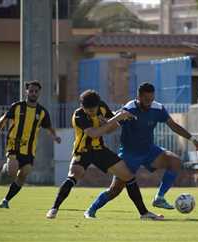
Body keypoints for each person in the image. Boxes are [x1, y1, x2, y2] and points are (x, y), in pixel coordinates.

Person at [84, 82, 198, 218]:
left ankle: (159, 198)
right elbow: (113, 124)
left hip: (149, 151)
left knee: (175, 161)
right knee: (115, 190)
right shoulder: (129, 108)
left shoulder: (158, 108)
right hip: (129, 155)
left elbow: (173, 126)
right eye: (146, 100)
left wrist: (192, 139)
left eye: (151, 99)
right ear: (139, 97)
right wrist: (104, 122)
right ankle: (91, 210)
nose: (149, 103)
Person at [46, 90, 163, 220]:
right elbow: (94, 133)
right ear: (82, 107)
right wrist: (116, 118)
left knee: (128, 176)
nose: (91, 112)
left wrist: (119, 116)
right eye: (88, 110)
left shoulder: (101, 106)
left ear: (98, 104)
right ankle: (54, 208)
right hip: (83, 151)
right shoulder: (79, 115)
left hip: (100, 150)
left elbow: (110, 127)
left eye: (93, 109)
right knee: (74, 175)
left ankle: (144, 213)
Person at [0, 80, 61, 209]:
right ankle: (6, 167)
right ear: (26, 91)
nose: (33, 93)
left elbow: (49, 127)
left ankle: (6, 200)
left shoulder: (42, 112)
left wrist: (55, 136)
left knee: (24, 174)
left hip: (29, 149)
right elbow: (3, 119)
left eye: (36, 91)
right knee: (12, 172)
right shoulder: (17, 106)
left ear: (39, 93)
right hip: (14, 145)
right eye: (31, 91)